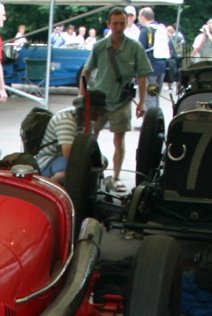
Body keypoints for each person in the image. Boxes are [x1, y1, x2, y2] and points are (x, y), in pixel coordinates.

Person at [82, 6, 151, 193]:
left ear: (126, 24)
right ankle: (90, 171)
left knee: (119, 140)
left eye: (122, 23)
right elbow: (86, 72)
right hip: (99, 100)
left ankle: (117, 176)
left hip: (121, 101)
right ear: (109, 24)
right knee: (90, 138)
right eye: (115, 23)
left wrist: (143, 102)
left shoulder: (135, 47)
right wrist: (83, 96)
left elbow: (143, 75)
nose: (118, 27)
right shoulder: (99, 46)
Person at [34, 90, 108, 183]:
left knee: (102, 162)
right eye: (95, 113)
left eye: (100, 114)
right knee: (69, 173)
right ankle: (48, 185)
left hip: (65, 157)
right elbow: (68, 154)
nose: (97, 118)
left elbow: (90, 145)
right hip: (49, 159)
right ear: (85, 110)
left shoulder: (87, 121)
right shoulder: (66, 120)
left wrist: (99, 160)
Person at [138, 7, 169, 107]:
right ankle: (157, 117)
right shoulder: (162, 29)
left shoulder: (145, 30)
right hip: (163, 66)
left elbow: (140, 49)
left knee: (149, 95)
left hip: (150, 66)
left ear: (143, 17)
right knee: (156, 94)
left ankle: (150, 119)